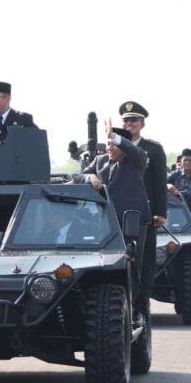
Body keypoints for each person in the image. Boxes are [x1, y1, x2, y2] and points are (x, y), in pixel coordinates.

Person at [72, 119, 150, 323]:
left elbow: (138, 153)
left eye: (113, 144)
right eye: (107, 144)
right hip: (105, 224)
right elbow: (79, 175)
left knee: (132, 266)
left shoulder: (135, 160)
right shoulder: (100, 162)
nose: (109, 148)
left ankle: (133, 310)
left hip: (131, 222)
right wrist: (90, 179)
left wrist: (116, 136)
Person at [119, 101, 167, 315]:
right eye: (126, 120)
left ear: (142, 123)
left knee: (144, 263)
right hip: (120, 215)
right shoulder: (115, 147)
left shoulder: (153, 149)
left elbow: (159, 183)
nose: (130, 124)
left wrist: (161, 213)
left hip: (145, 215)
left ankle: (140, 307)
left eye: (134, 120)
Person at [167, 148, 191, 220]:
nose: (187, 163)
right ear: (181, 161)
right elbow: (161, 183)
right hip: (178, 212)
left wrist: (179, 193)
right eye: (185, 160)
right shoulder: (175, 174)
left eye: (190, 160)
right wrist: (168, 186)